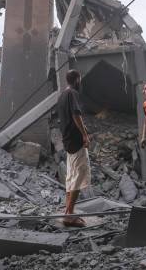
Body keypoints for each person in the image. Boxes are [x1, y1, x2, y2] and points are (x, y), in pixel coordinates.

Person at [57, 69, 92, 227]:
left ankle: (67, 211)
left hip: (68, 140)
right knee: (79, 174)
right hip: (76, 140)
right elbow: (76, 115)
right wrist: (85, 135)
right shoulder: (73, 94)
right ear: (78, 79)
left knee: (71, 175)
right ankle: (70, 215)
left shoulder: (63, 95)